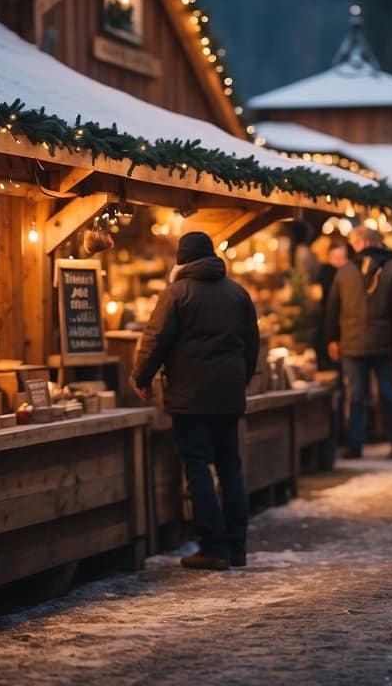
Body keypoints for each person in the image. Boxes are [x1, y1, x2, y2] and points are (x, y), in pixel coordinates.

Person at [134, 231, 259, 571]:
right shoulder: (237, 293)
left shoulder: (177, 293)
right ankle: (236, 547)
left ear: (182, 260)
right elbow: (252, 344)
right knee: (230, 468)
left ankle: (213, 547)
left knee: (198, 468)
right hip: (228, 395)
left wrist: (141, 377)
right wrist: (241, 379)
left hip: (190, 396)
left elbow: (155, 339)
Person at [325, 226, 392, 460]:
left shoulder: (345, 270)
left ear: (362, 243)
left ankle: (355, 444)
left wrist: (332, 338)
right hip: (384, 342)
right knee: (387, 391)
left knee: (357, 395)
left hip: (351, 342)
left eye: (353, 243)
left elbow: (332, 307)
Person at [314, 241, 351, 371]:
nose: (339, 261)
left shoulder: (351, 275)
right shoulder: (325, 273)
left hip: (346, 324)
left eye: (342, 258)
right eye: (335, 258)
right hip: (328, 321)